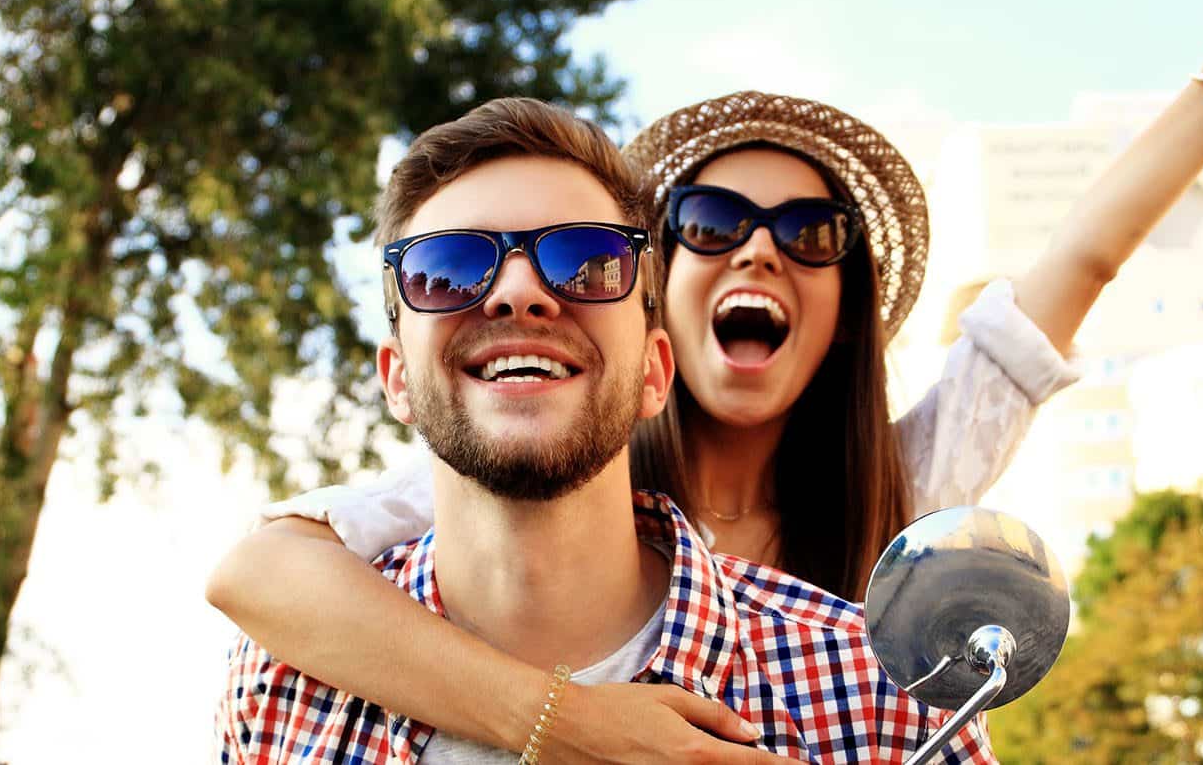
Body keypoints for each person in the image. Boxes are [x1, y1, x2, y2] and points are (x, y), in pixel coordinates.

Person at [208, 0, 1203, 761]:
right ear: (661, 310)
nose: (759, 256)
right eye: (712, 226)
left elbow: (1080, 263)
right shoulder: (509, 469)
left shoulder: (896, 525)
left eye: (809, 235)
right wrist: (576, 725)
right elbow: (261, 570)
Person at [213, 98, 996, 763]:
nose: (518, 292)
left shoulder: (886, 701)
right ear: (396, 380)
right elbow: (253, 567)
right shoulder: (283, 682)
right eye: (449, 268)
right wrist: (559, 721)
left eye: (586, 262)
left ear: (657, 372)